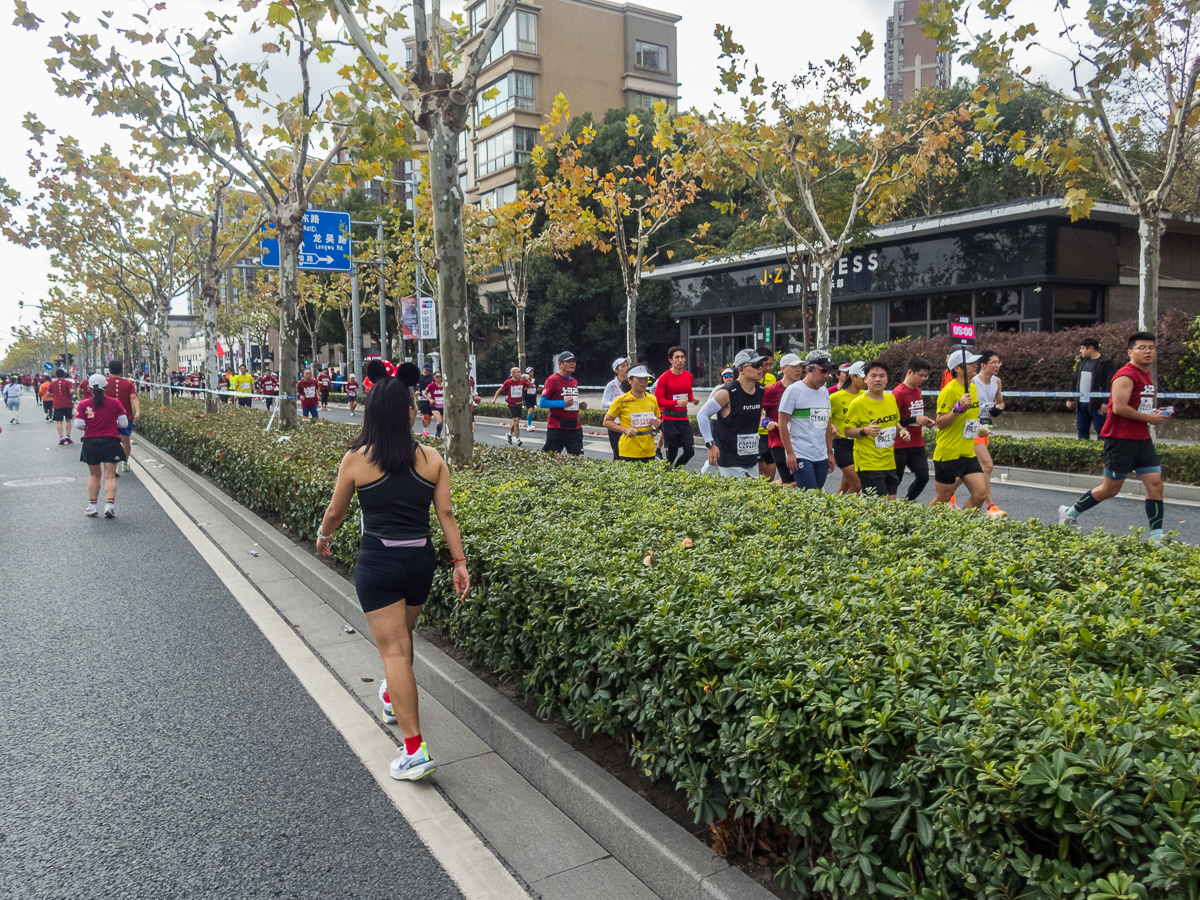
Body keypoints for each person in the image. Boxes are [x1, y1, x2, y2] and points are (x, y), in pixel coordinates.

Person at [314, 361, 471, 781]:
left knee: (395, 652)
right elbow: (447, 515)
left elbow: (336, 511)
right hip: (420, 561)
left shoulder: (357, 460)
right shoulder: (433, 458)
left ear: (371, 412)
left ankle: (415, 751)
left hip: (378, 563)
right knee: (402, 642)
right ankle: (391, 697)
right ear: (407, 410)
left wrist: (323, 536)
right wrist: (459, 563)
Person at [1059, 332, 1171, 542]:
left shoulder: (1146, 375)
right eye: (1142, 347)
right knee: (1111, 488)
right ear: (1130, 352)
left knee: (1156, 484)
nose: (1148, 351)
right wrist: (1147, 417)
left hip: (1142, 439)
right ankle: (1070, 514)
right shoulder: (1125, 375)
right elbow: (1119, 408)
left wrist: (1153, 414)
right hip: (1120, 439)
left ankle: (1157, 538)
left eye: (1151, 347)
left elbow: (1138, 405)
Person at [843, 361, 910, 499]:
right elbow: (847, 431)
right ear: (865, 379)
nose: (878, 379)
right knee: (878, 506)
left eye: (881, 376)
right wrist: (865, 431)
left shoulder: (891, 399)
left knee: (891, 504)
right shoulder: (858, 403)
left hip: (889, 461)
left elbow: (895, 421)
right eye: (873, 376)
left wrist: (902, 430)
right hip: (868, 463)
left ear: (887, 379)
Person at [697, 349, 768, 478]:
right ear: (741, 369)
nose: (760, 369)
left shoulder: (759, 390)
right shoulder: (727, 392)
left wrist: (765, 421)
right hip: (730, 461)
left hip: (751, 460)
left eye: (761, 365)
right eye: (755, 365)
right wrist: (710, 444)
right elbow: (702, 414)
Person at [932, 349, 989, 510]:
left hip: (968, 452)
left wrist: (980, 428)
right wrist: (958, 408)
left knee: (980, 494)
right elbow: (940, 423)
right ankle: (919, 525)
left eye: (975, 362)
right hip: (948, 452)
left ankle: (962, 529)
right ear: (957, 368)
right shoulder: (949, 391)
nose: (975, 365)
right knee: (943, 497)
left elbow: (970, 419)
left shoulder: (973, 388)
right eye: (970, 363)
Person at [777, 350, 836, 490]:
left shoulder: (824, 392)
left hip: (821, 455)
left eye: (828, 372)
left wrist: (830, 452)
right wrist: (790, 453)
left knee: (816, 493)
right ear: (809, 370)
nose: (826, 376)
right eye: (823, 371)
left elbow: (827, 424)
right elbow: (782, 423)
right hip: (801, 454)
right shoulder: (793, 391)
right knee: (810, 493)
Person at [75, 373, 129, 518]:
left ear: (89, 388)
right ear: (106, 386)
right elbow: (124, 423)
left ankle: (92, 506)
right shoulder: (115, 403)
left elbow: (78, 424)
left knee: (94, 475)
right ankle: (109, 505)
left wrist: (90, 426)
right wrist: (113, 423)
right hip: (111, 441)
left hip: (90, 442)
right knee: (110, 475)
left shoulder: (83, 404)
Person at [891, 358, 936, 502]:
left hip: (917, 443)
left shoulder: (918, 391)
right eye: (920, 375)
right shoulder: (898, 393)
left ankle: (906, 504)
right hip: (900, 444)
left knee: (923, 477)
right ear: (910, 372)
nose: (923, 379)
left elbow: (915, 415)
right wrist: (914, 420)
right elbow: (892, 419)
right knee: (895, 480)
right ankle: (888, 509)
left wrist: (925, 421)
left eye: (925, 376)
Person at [971, 350, 1006, 517]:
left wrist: (997, 410)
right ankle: (990, 505)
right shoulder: (972, 382)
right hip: (972, 428)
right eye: (994, 362)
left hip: (986, 428)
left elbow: (1000, 402)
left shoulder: (997, 381)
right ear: (983, 365)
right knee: (987, 465)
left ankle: (947, 497)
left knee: (973, 466)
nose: (998, 365)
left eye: (999, 362)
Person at [604, 365, 663, 462]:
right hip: (628, 451)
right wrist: (625, 429)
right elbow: (606, 421)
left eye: (645, 379)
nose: (644, 382)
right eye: (639, 379)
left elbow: (658, 419)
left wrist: (657, 423)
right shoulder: (621, 400)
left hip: (649, 450)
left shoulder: (652, 399)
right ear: (630, 380)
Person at [762, 353, 805, 486]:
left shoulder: (804, 390)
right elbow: (756, 408)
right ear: (783, 369)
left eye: (800, 366)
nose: (798, 370)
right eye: (793, 366)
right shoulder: (771, 390)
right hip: (778, 442)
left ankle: (767, 494)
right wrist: (765, 421)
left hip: (799, 443)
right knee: (791, 483)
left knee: (794, 481)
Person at [653, 347, 696, 468]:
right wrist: (676, 403)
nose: (680, 360)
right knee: (672, 454)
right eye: (677, 357)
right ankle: (665, 476)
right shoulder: (664, 378)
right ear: (671, 360)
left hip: (683, 420)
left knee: (690, 451)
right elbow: (658, 400)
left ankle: (676, 472)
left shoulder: (688, 376)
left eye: (682, 357)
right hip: (669, 421)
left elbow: (689, 393)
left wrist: (693, 399)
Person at [539, 352, 586, 456]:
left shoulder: (574, 381)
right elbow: (542, 403)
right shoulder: (552, 380)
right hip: (557, 426)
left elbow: (570, 402)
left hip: (574, 426)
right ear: (560, 364)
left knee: (576, 459)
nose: (572, 364)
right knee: (551, 459)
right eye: (568, 361)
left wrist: (579, 405)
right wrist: (562, 403)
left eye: (573, 361)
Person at [1067, 337, 1115, 440]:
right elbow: (1075, 381)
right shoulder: (1081, 362)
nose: (1081, 351)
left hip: (1097, 403)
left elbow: (1109, 383)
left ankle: (1101, 452)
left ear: (1091, 348)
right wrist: (1071, 398)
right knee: (1082, 429)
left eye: (1082, 348)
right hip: (1081, 403)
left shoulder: (1106, 362)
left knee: (1101, 429)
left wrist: (1106, 402)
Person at [829, 362, 865, 494]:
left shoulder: (865, 396)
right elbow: (826, 419)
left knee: (846, 487)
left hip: (860, 444)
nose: (865, 381)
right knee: (857, 485)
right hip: (842, 445)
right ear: (853, 377)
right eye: (863, 378)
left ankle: (833, 510)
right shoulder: (835, 397)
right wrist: (832, 427)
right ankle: (838, 513)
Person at [105, 361, 140, 474]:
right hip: (125, 416)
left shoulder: (104, 383)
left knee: (110, 440)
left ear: (109, 371)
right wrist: (137, 412)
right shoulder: (129, 384)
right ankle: (125, 463)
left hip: (108, 416)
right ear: (122, 370)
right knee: (126, 440)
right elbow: (133, 398)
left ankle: (113, 465)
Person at [601, 357, 631, 460]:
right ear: (616, 370)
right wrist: (618, 404)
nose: (626, 368)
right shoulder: (611, 385)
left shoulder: (632, 383)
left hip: (629, 422)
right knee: (618, 453)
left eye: (627, 366)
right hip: (615, 423)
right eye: (623, 366)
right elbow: (604, 402)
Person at [755, 344, 777, 479]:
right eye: (765, 364)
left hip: (770, 432)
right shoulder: (749, 378)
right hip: (755, 433)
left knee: (771, 474)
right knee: (761, 471)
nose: (768, 368)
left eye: (771, 365)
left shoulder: (771, 378)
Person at [492, 367, 528, 447]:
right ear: (512, 374)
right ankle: (518, 440)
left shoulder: (522, 382)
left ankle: (509, 434)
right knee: (517, 422)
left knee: (516, 422)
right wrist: (494, 400)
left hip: (519, 404)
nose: (519, 373)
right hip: (512, 404)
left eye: (520, 372)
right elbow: (499, 390)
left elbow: (528, 387)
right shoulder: (508, 382)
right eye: (517, 372)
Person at [50, 368, 76, 445]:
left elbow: (48, 394)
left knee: (59, 421)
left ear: (56, 375)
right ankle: (68, 436)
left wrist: (55, 395)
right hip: (67, 404)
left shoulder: (52, 384)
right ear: (64, 374)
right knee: (68, 420)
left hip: (57, 404)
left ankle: (61, 437)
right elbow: (72, 391)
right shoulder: (68, 383)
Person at [423, 372, 446, 438]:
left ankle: (437, 435)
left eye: (440, 376)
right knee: (439, 421)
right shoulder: (431, 385)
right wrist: (430, 399)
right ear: (434, 378)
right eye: (437, 377)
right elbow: (425, 393)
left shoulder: (444, 385)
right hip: (434, 406)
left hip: (443, 405)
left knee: (442, 423)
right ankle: (438, 436)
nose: (439, 378)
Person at [417, 362, 435, 436]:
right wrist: (417, 391)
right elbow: (416, 385)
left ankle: (426, 427)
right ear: (423, 369)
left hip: (431, 398)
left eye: (429, 370)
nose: (428, 372)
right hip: (422, 398)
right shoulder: (419, 377)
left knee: (430, 415)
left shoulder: (432, 377)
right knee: (425, 414)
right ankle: (425, 430)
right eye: (427, 370)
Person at [523, 366, 538, 431]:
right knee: (530, 409)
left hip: (533, 397)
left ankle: (530, 424)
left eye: (532, 371)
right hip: (526, 397)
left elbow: (536, 387)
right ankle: (528, 426)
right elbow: (524, 388)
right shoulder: (525, 380)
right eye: (530, 371)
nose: (532, 372)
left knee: (531, 411)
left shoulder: (535, 379)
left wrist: (539, 389)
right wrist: (529, 384)